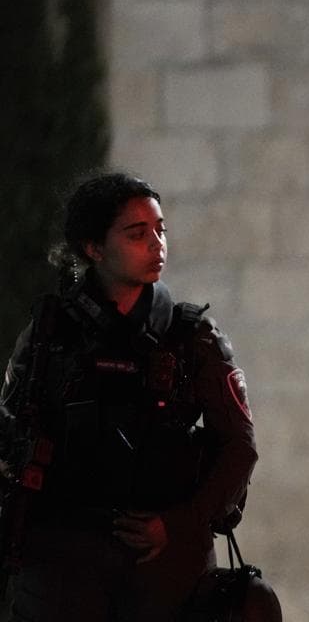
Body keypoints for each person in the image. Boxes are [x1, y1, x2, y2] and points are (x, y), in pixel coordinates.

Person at [0, 173, 258, 621]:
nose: (157, 243)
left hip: (164, 561)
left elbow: (239, 448)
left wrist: (179, 525)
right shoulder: (50, 335)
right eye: (137, 233)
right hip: (63, 560)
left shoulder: (191, 337)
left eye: (161, 230)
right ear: (93, 247)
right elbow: (12, 432)